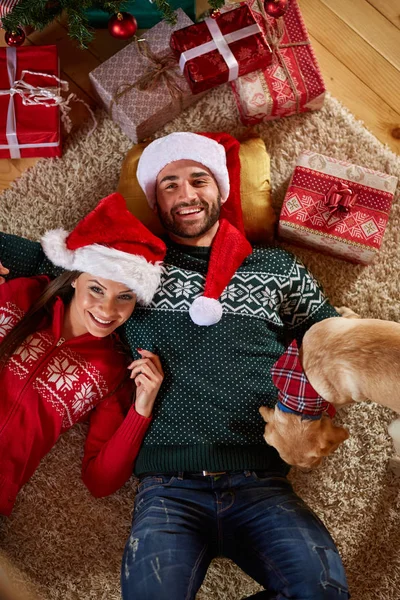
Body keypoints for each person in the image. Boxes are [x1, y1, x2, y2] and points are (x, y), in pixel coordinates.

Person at [0, 133, 349, 599]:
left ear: (220, 190)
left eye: (198, 180)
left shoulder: (277, 267)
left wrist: (311, 411)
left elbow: (334, 340)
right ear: (154, 200)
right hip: (168, 490)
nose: (185, 195)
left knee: (323, 593)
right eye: (169, 185)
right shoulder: (134, 269)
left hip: (259, 480)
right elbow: (48, 259)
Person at [0, 192, 165, 517]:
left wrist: (142, 408)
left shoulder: (112, 372)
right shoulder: (21, 297)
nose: (107, 310)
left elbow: (100, 481)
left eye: (125, 297)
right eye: (97, 289)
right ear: (75, 280)